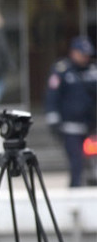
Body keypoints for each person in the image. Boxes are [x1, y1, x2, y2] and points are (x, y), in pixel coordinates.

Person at [45, 35, 97, 187]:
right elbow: (52, 96)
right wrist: (53, 119)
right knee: (76, 162)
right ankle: (75, 192)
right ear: (74, 52)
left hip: (91, 127)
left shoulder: (92, 71)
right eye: (82, 54)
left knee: (92, 165)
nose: (85, 57)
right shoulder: (62, 70)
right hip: (70, 127)